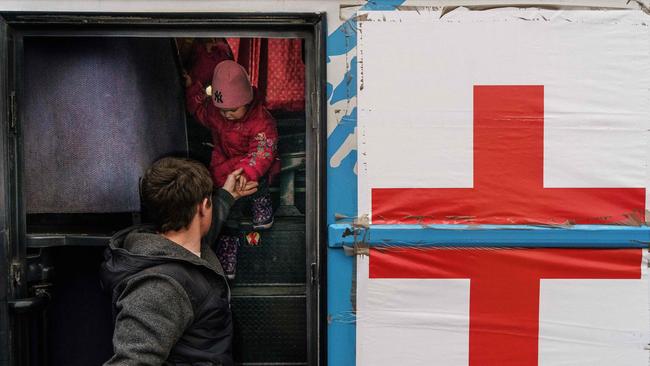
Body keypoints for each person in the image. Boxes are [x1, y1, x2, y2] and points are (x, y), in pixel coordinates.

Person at [100, 157, 258, 366]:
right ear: (202, 207)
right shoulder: (159, 286)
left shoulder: (180, 251)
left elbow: (199, 234)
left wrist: (227, 196)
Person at [185, 60, 280, 278]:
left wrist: (246, 174)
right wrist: (192, 87)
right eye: (223, 110)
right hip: (224, 166)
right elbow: (200, 109)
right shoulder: (215, 112)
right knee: (228, 210)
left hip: (251, 166)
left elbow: (262, 153)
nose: (227, 115)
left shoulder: (262, 121)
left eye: (233, 110)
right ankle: (227, 251)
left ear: (247, 100)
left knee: (258, 180)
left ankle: (261, 201)